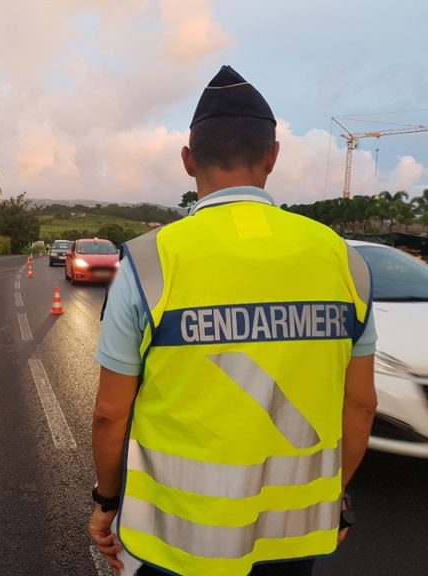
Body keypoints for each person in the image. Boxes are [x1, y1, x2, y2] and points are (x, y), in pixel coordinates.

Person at [89, 65, 378, 576]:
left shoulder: (147, 262)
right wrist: (336, 496)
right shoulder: (343, 260)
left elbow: (110, 414)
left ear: (187, 160)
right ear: (273, 156)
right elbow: (360, 404)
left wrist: (106, 501)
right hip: (293, 540)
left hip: (176, 540)